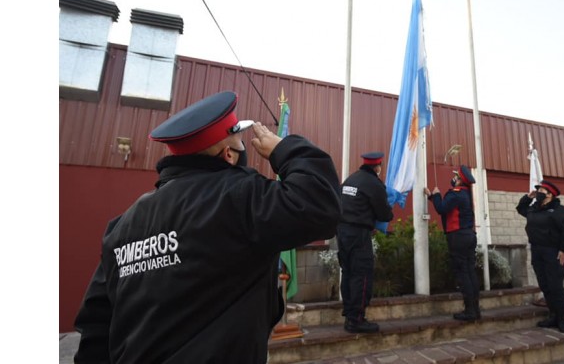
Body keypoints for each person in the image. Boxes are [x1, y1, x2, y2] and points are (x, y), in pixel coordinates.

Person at [73, 91, 342, 363]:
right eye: (239, 142)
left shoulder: (122, 226)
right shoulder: (239, 197)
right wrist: (283, 149)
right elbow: (322, 205)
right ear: (228, 155)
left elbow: (96, 326)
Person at [337, 152, 394, 333]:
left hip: (342, 232)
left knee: (348, 272)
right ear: (377, 167)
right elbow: (385, 214)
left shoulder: (350, 180)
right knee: (362, 275)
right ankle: (357, 319)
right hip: (359, 234)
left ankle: (349, 315)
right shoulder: (374, 184)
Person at [516, 180, 564, 333]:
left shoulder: (559, 210)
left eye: (542, 191)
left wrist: (563, 250)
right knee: (545, 285)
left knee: (555, 286)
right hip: (537, 251)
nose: (538, 193)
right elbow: (521, 208)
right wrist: (528, 197)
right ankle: (553, 316)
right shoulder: (534, 209)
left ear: (550, 195)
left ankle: (562, 319)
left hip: (553, 252)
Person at [425, 165, 481, 321]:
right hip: (469, 235)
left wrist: (436, 196)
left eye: (456, 176)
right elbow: (450, 208)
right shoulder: (466, 194)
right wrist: (432, 197)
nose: (453, 178)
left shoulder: (455, 194)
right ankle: (475, 310)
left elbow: (442, 208)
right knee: (470, 273)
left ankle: (469, 311)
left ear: (459, 181)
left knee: (463, 274)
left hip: (458, 237)